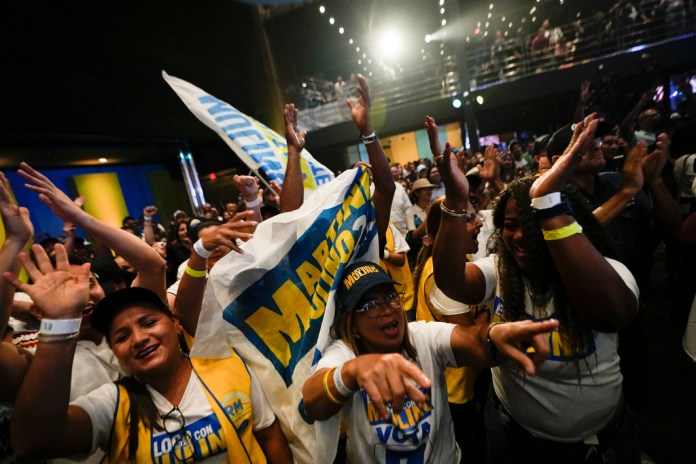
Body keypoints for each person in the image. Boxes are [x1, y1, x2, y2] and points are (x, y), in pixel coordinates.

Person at [428, 114, 641, 463]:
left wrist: (545, 201)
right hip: (512, 435)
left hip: (595, 445)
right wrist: (454, 201)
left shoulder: (606, 271)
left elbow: (614, 313)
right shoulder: (503, 269)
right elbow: (451, 280)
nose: (519, 236)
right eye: (510, 226)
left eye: (532, 225)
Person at [6, 243, 292, 463]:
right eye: (122, 336)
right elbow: (34, 441)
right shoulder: (114, 403)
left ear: (176, 324)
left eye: (149, 322)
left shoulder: (227, 368)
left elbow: (269, 433)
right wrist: (60, 323)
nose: (139, 339)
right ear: (115, 352)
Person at [301, 260, 559, 463]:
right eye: (369, 305)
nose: (387, 308)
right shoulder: (343, 353)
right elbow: (311, 403)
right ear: (352, 324)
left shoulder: (421, 335)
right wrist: (352, 372)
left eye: (390, 296)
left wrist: (491, 334)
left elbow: (473, 341)